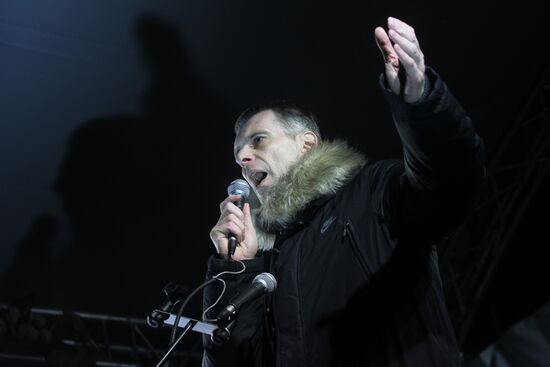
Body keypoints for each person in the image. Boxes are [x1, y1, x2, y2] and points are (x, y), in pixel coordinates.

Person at [202, 16, 486, 367]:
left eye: (258, 140)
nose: (244, 158)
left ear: (306, 144)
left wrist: (421, 103)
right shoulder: (267, 263)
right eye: (238, 156)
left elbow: (451, 182)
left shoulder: (372, 191)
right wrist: (235, 270)